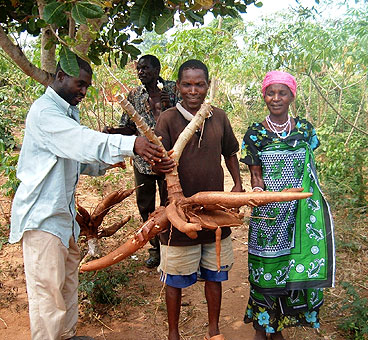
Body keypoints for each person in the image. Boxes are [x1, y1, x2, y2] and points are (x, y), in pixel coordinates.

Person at [8, 56, 173, 340]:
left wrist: (118, 158)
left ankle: (67, 336)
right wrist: (131, 143)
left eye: (86, 86)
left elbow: (80, 161)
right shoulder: (46, 113)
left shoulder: (66, 112)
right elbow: (81, 142)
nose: (83, 91)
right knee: (48, 296)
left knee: (66, 285)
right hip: (42, 220)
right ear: (60, 76)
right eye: (80, 84)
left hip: (62, 219)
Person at [240, 71, 335, 340]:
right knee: (265, 273)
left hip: (301, 212)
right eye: (271, 93)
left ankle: (278, 328)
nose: (276, 98)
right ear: (264, 96)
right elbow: (255, 174)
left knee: (294, 268)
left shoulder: (305, 130)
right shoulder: (255, 133)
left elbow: (310, 171)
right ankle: (263, 327)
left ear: (292, 96)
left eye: (282, 93)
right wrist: (259, 194)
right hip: (268, 216)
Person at [153, 59, 243, 340]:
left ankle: (213, 330)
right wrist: (161, 164)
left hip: (215, 209)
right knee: (175, 278)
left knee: (215, 274)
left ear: (208, 86)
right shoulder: (167, 118)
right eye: (187, 84)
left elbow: (230, 152)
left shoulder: (219, 116)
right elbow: (157, 160)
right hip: (180, 213)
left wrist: (238, 185)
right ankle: (173, 333)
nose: (193, 90)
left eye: (199, 84)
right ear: (178, 86)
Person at [104, 55, 180, 268]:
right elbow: (129, 127)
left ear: (157, 69)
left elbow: (184, 119)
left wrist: (169, 105)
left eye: (145, 68)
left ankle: (170, 247)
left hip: (169, 160)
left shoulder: (173, 90)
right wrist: (113, 132)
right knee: (146, 206)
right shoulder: (134, 95)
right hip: (144, 162)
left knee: (170, 205)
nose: (141, 72)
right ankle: (155, 248)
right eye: (138, 69)